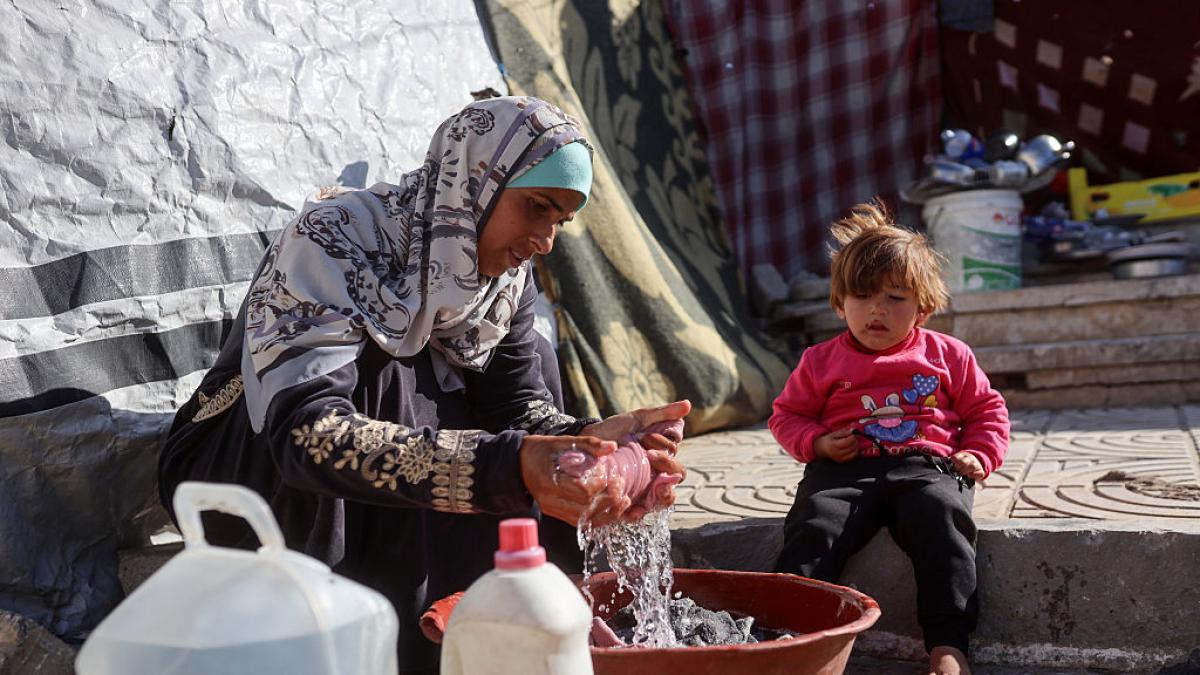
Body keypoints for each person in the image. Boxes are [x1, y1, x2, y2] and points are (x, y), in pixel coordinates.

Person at [157, 96, 690, 674]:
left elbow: (517, 406)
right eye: (537, 207)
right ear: (476, 180)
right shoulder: (336, 239)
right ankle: (376, 630)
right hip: (249, 470)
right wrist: (510, 466)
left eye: (559, 221)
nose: (545, 240)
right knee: (391, 371)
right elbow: (308, 435)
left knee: (528, 354)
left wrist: (588, 445)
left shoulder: (505, 281)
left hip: (363, 464)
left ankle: (465, 615)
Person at [769, 202, 1009, 675]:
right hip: (843, 470)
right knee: (815, 523)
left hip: (928, 468)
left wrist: (980, 453)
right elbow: (787, 415)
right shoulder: (820, 360)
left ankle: (948, 645)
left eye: (895, 298)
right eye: (863, 296)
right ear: (839, 302)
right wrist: (817, 443)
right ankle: (784, 632)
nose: (877, 310)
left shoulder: (948, 355)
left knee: (943, 522)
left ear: (923, 306)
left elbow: (986, 409)